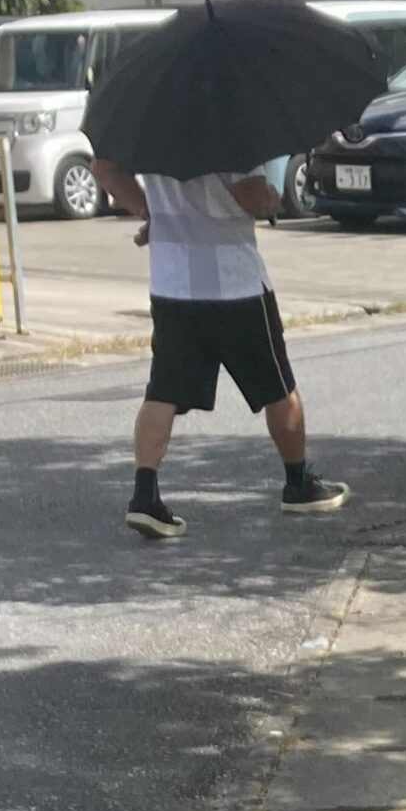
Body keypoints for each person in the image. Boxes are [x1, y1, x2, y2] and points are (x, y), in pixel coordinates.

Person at [89, 158, 348, 538]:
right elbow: (249, 195)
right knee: (277, 387)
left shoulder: (152, 121)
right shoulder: (225, 120)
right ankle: (298, 484)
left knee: (163, 391)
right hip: (234, 282)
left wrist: (150, 210)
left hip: (173, 282)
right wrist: (272, 199)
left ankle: (145, 494)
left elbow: (103, 168)